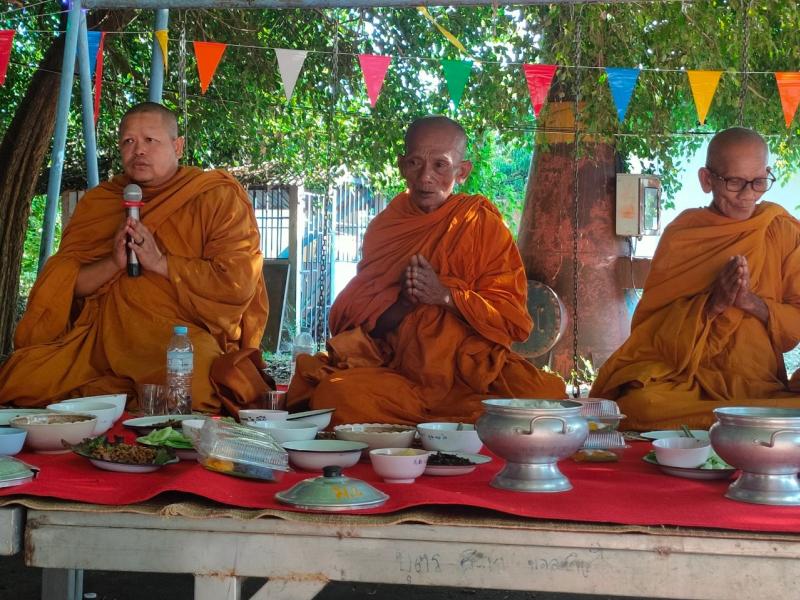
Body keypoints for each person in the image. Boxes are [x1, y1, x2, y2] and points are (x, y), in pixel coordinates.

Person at [287, 116, 566, 426]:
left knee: (547, 396)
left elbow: (511, 320)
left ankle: (427, 424)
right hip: (400, 375)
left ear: (462, 172)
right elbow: (361, 328)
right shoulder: (386, 229)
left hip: (470, 377)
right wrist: (406, 302)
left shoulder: (481, 224)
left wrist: (445, 296)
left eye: (440, 165)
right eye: (415, 163)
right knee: (335, 395)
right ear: (402, 165)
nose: (426, 177)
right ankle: (463, 424)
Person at [0, 102, 268, 413]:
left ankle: (113, 396)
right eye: (129, 141)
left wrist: (161, 263)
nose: (138, 150)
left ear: (177, 146)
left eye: (150, 140)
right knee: (21, 381)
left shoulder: (216, 197)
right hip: (99, 343)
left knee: (197, 387)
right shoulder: (100, 202)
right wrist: (113, 263)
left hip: (177, 337)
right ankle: (122, 394)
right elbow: (67, 285)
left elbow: (236, 283)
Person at [590, 127, 800, 430]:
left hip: (758, 383)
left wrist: (750, 303)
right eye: (735, 182)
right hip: (688, 377)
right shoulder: (683, 234)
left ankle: (741, 418)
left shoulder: (780, 230)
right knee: (641, 406)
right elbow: (651, 331)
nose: (747, 195)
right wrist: (713, 305)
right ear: (706, 179)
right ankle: (749, 421)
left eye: (758, 182)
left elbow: (794, 327)